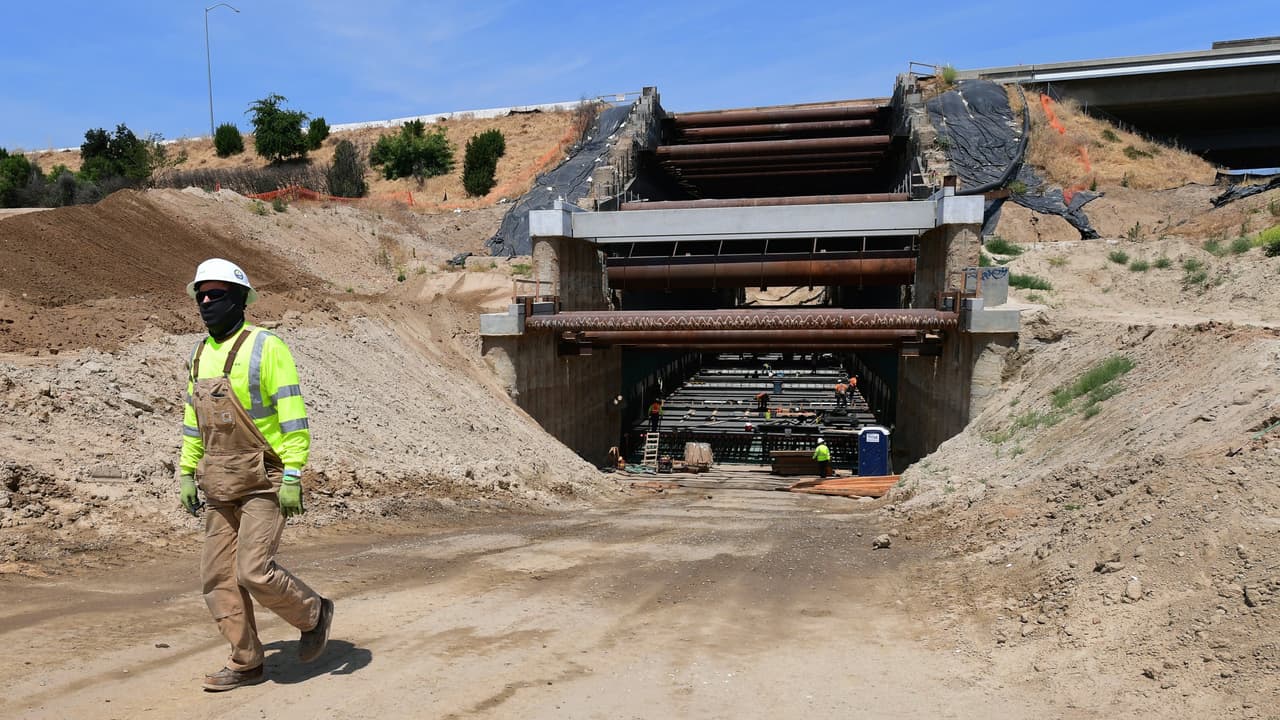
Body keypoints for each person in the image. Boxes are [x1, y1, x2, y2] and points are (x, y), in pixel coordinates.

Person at [177, 258, 334, 692]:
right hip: (218, 479)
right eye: (201, 295)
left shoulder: (267, 347)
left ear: (240, 299)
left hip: (264, 478)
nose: (207, 302)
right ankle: (246, 662)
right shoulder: (198, 353)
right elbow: (195, 421)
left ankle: (314, 612)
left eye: (217, 295)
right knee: (217, 578)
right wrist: (188, 470)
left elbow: (293, 418)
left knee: (253, 570)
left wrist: (293, 475)